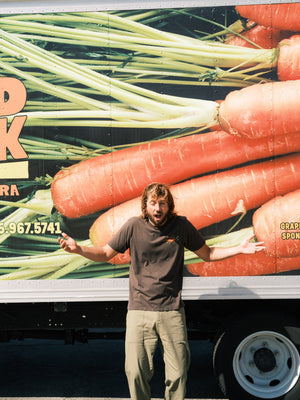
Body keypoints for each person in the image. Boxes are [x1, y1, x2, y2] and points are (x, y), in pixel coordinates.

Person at [58, 182, 264, 400]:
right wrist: (79, 249)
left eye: (162, 203)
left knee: (178, 374)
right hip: (139, 311)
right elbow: (106, 252)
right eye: (153, 203)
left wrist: (239, 249)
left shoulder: (181, 227)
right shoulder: (133, 226)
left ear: (169, 205)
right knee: (135, 372)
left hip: (171, 311)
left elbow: (208, 253)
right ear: (145, 205)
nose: (158, 208)